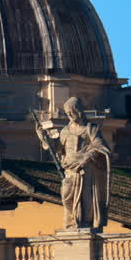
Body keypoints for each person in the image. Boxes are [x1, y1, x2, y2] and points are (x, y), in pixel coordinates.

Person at [44, 97, 111, 230]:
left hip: (85, 168)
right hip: (69, 168)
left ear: (79, 111)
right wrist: (45, 138)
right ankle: (72, 223)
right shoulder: (65, 131)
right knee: (66, 195)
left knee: (86, 197)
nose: (69, 115)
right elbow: (57, 148)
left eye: (71, 112)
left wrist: (88, 156)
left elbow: (100, 146)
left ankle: (84, 224)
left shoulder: (90, 129)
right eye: (67, 113)